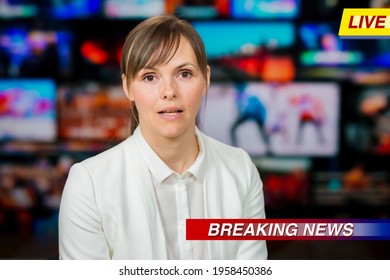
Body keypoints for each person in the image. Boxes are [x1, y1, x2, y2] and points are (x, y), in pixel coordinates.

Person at [58, 15, 267, 260]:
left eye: (184, 74)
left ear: (206, 79)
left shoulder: (240, 168)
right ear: (127, 87)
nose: (169, 92)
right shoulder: (88, 184)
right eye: (150, 77)